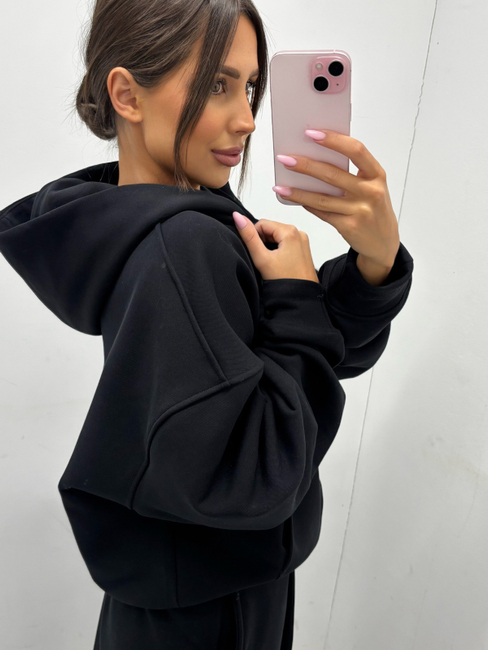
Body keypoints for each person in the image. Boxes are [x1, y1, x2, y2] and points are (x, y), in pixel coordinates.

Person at [0, 0, 414, 648]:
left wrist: (372, 264)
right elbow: (262, 467)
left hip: (188, 596)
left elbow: (293, 361)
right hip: (211, 617)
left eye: (249, 87)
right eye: (218, 84)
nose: (246, 118)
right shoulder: (183, 242)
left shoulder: (173, 220)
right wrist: (295, 295)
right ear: (127, 95)